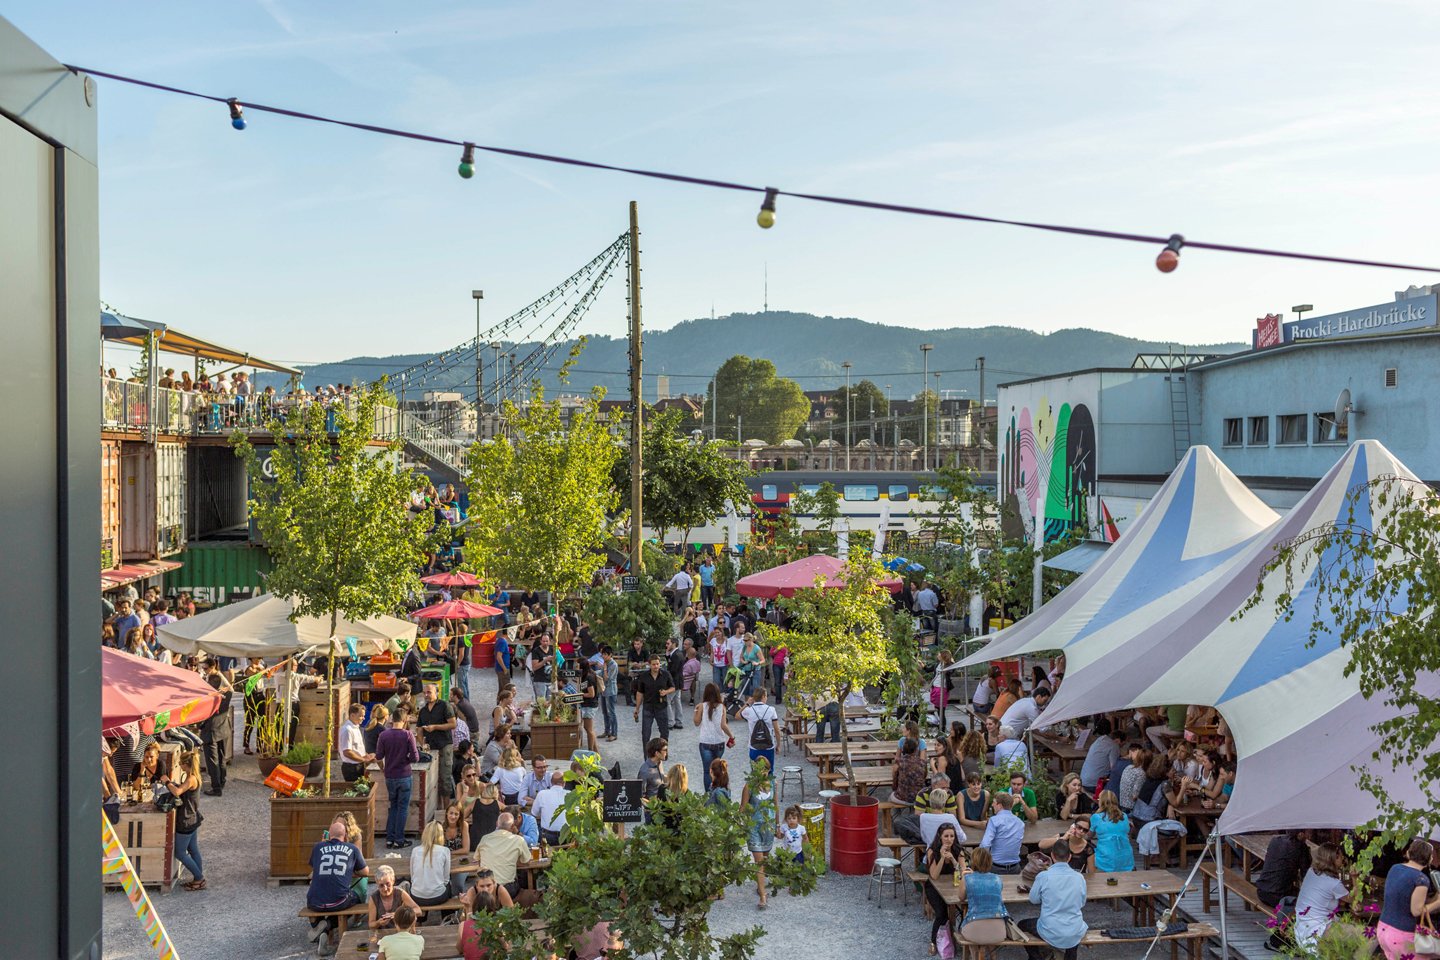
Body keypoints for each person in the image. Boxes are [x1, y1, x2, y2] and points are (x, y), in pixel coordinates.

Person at [307, 816, 370, 949]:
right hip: (339, 901)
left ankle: (321, 932)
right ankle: (328, 924)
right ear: (345, 836)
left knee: (315, 903)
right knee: (356, 898)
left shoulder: (318, 847)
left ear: (329, 835)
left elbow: (315, 868)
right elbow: (365, 872)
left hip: (314, 901)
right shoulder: (352, 849)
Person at [1019, 840, 1088, 960]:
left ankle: (1037, 957)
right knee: (1073, 932)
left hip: (1049, 929)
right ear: (1069, 857)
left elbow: (1033, 900)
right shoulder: (1079, 877)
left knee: (1021, 925)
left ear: (1052, 855)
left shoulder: (1043, 876)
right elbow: (1082, 903)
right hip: (1074, 928)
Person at [1377, 838, 1440, 960]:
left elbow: (1409, 900)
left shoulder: (1395, 868)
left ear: (1408, 853)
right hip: (1401, 934)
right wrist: (1438, 903)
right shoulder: (1421, 879)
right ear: (1429, 859)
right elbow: (1416, 910)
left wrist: (1436, 896)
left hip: (1383, 929)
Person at [1289, 843, 1352, 949]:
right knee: (1370, 935)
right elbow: (1353, 900)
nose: (1342, 858)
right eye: (1340, 856)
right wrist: (1355, 877)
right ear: (1333, 859)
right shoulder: (1334, 883)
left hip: (1302, 930)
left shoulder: (1311, 871)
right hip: (1318, 932)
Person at [375, 706, 421, 850]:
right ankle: (399, 840)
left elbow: (378, 757)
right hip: (404, 775)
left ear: (391, 719)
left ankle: (389, 839)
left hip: (390, 776)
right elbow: (415, 758)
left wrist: (383, 769)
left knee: (393, 807)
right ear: (404, 719)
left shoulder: (383, 735)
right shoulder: (408, 735)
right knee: (402, 808)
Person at [161, 749, 207, 890]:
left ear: (187, 764)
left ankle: (199, 878)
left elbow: (178, 792)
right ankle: (198, 878)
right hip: (193, 818)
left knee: (180, 853)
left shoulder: (191, 778)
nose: (179, 766)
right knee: (193, 850)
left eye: (181, 763)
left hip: (186, 820)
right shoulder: (194, 776)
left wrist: (167, 782)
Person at [741, 756, 776, 909]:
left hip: (769, 826)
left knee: (765, 859)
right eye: (758, 769)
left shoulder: (774, 784)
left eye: (764, 770)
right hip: (754, 826)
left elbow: (776, 805)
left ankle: (760, 884)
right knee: (759, 862)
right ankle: (763, 895)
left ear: (768, 771)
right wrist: (740, 825)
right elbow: (742, 808)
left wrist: (779, 825)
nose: (761, 772)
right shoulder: (748, 787)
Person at [924, 822, 965, 953]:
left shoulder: (958, 851)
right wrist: (942, 858)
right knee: (942, 914)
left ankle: (960, 938)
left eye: (952, 836)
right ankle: (933, 941)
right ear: (940, 837)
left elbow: (963, 874)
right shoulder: (932, 851)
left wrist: (953, 859)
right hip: (934, 887)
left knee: (965, 909)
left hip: (952, 887)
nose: (949, 839)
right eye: (946, 836)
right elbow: (934, 875)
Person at [958, 846, 1010, 946]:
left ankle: (974, 956)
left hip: (974, 927)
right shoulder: (997, 878)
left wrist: (964, 877)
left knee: (971, 942)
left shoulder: (968, 878)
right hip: (999, 931)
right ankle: (993, 956)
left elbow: (961, 897)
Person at [417, 683, 457, 803]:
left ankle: (446, 809)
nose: (426, 695)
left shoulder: (444, 706)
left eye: (429, 692)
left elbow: (453, 724)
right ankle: (437, 807)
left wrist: (435, 727)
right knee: (433, 780)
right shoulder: (423, 710)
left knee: (445, 779)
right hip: (431, 748)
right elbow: (419, 729)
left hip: (444, 745)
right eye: (424, 693)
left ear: (436, 692)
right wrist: (422, 743)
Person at [476, 812, 532, 898]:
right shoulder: (519, 840)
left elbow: (478, 861)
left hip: (486, 887)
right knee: (522, 881)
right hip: (507, 887)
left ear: (496, 824)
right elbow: (527, 862)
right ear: (513, 826)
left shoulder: (485, 838)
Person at [200, 659, 233, 796]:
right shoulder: (224, 684)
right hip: (223, 726)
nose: (204, 671)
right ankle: (221, 781)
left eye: (206, 668)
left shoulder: (216, 680)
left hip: (212, 727)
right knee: (221, 756)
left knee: (212, 759)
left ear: (213, 667)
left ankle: (216, 787)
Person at [693, 683, 734, 793]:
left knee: (707, 771)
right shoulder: (722, 707)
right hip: (719, 742)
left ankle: (708, 794)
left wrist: (696, 711)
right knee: (718, 769)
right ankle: (719, 791)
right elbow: (723, 725)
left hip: (705, 742)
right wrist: (731, 736)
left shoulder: (702, 706)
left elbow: (696, 722)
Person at [631, 653, 677, 748]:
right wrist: (637, 708)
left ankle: (663, 754)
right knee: (646, 734)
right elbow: (640, 693)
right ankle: (647, 758)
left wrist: (666, 692)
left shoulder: (665, 674)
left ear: (660, 664)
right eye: (653, 664)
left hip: (661, 707)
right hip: (648, 707)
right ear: (649, 665)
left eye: (657, 664)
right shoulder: (643, 676)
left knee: (664, 733)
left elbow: (673, 687)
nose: (656, 666)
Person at [409, 821, 454, 908]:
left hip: (416, 896)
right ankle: (448, 917)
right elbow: (446, 879)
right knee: (448, 885)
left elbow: (412, 875)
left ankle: (421, 919)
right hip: (438, 897)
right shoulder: (445, 851)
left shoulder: (415, 850)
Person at [979, 793, 1024, 874]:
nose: (992, 805)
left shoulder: (994, 820)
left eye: (994, 802)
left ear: (999, 805)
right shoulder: (1020, 823)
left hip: (996, 868)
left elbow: (985, 845)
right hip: (1015, 868)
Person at [1089, 791, 1134, 872]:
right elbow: (1128, 832)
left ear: (1101, 802)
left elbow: (1089, 836)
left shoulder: (1096, 817)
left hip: (1105, 857)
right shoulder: (1124, 816)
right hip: (1125, 856)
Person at [367, 864, 420, 929]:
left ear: (393, 881)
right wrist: (378, 923)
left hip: (400, 931)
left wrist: (398, 914)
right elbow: (371, 924)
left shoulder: (400, 893)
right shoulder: (374, 898)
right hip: (383, 934)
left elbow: (418, 910)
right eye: (381, 885)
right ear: (377, 884)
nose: (385, 889)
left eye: (388, 884)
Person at [740, 686, 780, 773]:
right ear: (763, 696)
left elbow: (737, 715)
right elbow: (777, 730)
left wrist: (747, 703)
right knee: (769, 771)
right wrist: (778, 745)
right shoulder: (771, 710)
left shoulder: (749, 710)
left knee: (755, 772)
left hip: (754, 746)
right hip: (768, 746)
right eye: (766, 696)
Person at [1079, 719, 1121, 793]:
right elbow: (1114, 768)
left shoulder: (1096, 742)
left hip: (1083, 780)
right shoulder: (1113, 745)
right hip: (1096, 784)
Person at [531, 771, 570, 844]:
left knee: (535, 825)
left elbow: (534, 813)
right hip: (566, 836)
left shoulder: (542, 794)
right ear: (564, 783)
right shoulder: (570, 794)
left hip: (548, 837)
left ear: (551, 782)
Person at [340, 703, 374, 783]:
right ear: (352, 715)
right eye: (361, 716)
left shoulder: (355, 727)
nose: (363, 718)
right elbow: (347, 752)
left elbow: (357, 747)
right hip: (351, 767)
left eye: (363, 715)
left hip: (358, 765)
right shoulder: (347, 730)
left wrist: (366, 755)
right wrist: (363, 759)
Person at [893, 738, 930, 805]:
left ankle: (898, 813)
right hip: (920, 796)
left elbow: (894, 773)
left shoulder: (900, 761)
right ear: (916, 749)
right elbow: (924, 776)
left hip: (902, 797)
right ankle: (913, 812)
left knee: (891, 796)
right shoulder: (922, 762)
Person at [469, 780, 502, 851]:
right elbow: (510, 812)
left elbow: (463, 815)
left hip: (476, 838)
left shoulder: (475, 802)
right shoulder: (498, 803)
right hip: (492, 839)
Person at [577, 657, 600, 752]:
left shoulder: (588, 677)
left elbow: (591, 694)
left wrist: (580, 695)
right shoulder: (586, 675)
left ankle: (591, 751)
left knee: (589, 730)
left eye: (577, 665)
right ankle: (596, 751)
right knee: (589, 729)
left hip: (589, 705)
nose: (575, 667)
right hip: (588, 705)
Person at [599, 646, 620, 742]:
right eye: (602, 654)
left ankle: (614, 733)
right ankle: (607, 731)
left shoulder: (613, 664)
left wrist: (604, 669)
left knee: (611, 713)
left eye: (605, 654)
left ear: (610, 655)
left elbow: (608, 678)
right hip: (603, 690)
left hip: (611, 691)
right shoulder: (605, 663)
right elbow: (600, 674)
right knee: (604, 712)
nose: (603, 656)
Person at [639, 738, 669, 805]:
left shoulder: (659, 762)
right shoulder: (645, 771)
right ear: (657, 753)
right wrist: (652, 807)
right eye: (665, 750)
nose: (666, 753)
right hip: (653, 811)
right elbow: (640, 796)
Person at [528, 633, 556, 702]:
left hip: (551, 680)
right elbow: (534, 667)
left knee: (550, 702)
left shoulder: (552, 649)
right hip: (540, 680)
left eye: (547, 641)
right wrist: (545, 660)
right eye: (543, 641)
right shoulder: (536, 651)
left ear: (550, 641)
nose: (545, 643)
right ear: (540, 641)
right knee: (541, 702)